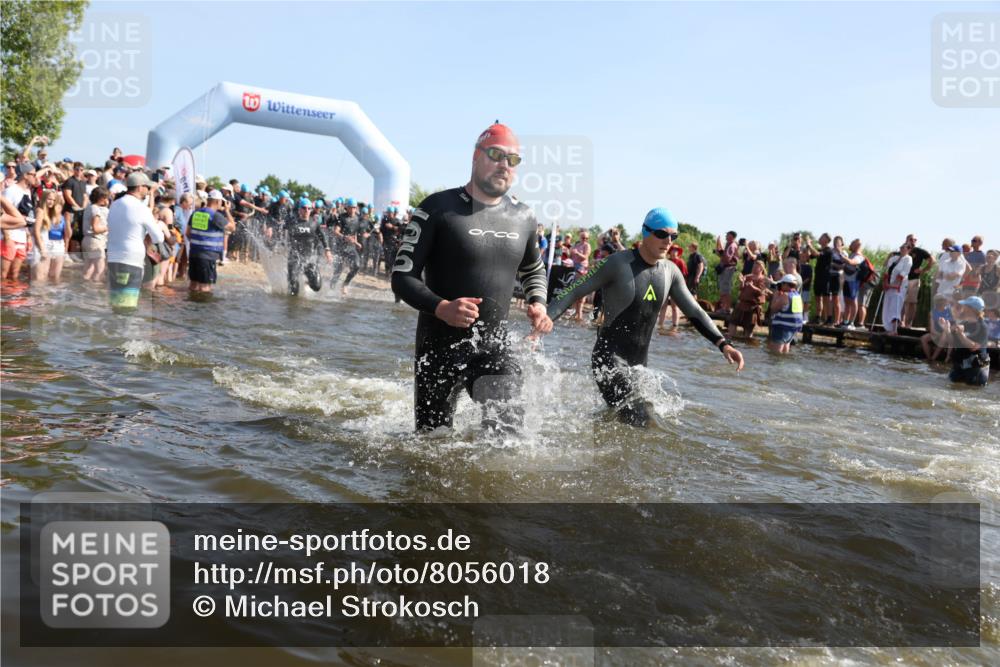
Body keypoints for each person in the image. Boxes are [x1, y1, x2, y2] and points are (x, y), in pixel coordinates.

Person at [391, 122, 552, 432]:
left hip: (493, 347)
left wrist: (538, 303)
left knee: (508, 432)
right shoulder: (438, 208)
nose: (504, 164)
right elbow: (402, 276)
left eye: (513, 159)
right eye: (496, 154)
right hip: (437, 349)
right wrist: (442, 308)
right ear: (476, 157)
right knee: (431, 446)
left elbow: (533, 269)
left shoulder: (525, 217)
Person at [547, 207, 742, 426]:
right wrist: (546, 317)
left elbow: (695, 311)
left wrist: (724, 344)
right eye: (662, 234)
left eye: (673, 236)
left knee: (628, 421)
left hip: (639, 368)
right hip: (608, 359)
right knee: (641, 420)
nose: (668, 241)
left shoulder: (670, 272)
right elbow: (574, 290)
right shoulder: (617, 264)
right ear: (646, 233)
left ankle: (598, 445)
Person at [106, 172, 163, 311]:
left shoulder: (115, 204)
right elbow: (158, 238)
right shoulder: (141, 208)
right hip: (131, 260)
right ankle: (126, 332)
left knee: (116, 303)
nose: (148, 191)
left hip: (113, 258)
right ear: (139, 187)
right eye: (147, 187)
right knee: (128, 306)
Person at [186, 189, 235, 293]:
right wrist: (227, 210)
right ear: (218, 202)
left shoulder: (195, 213)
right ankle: (204, 308)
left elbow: (188, 233)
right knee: (205, 287)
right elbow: (232, 227)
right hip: (208, 256)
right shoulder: (215, 216)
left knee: (193, 285)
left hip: (194, 253)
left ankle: (191, 307)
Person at [286, 197, 332, 296]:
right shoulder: (292, 222)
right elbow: (281, 228)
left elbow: (322, 236)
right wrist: (270, 229)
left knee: (316, 286)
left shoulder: (314, 223)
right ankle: (291, 278)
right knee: (293, 291)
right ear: (299, 210)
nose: (306, 210)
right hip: (294, 258)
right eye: (304, 208)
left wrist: (327, 250)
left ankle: (305, 281)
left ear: (311, 210)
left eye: (309, 208)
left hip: (308, 259)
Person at [2, 162, 38, 282]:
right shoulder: (11, 190)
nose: (35, 177)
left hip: (21, 236)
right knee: (3, 274)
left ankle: (12, 299)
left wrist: (28, 236)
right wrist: (7, 237)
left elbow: (28, 217)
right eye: (33, 174)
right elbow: (3, 213)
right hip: (9, 237)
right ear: (25, 175)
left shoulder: (27, 192)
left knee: (15, 274)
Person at [946, 296, 990, 387]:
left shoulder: (982, 326)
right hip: (960, 365)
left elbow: (974, 347)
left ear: (971, 309)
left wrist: (961, 334)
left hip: (975, 369)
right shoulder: (964, 323)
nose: (962, 308)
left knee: (971, 392)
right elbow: (952, 342)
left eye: (965, 306)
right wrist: (947, 330)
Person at [29, 190, 67, 283]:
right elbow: (36, 231)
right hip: (40, 247)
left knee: (44, 279)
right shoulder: (40, 211)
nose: (51, 202)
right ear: (44, 199)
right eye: (49, 199)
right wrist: (42, 249)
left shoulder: (49, 213)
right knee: (39, 279)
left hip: (46, 246)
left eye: (54, 200)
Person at [329, 197, 364, 295]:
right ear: (346, 208)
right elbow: (336, 231)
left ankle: (345, 284)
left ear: (356, 208)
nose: (352, 210)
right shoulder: (342, 217)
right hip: (340, 248)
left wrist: (356, 243)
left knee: (357, 266)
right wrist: (344, 237)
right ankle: (330, 290)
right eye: (350, 207)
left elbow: (354, 233)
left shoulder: (358, 218)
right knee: (338, 271)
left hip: (351, 248)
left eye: (354, 207)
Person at [727, 260, 770, 339]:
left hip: (752, 307)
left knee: (748, 329)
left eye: (756, 266)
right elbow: (741, 289)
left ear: (761, 268)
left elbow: (762, 292)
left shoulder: (764, 279)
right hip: (742, 304)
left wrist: (752, 287)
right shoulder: (748, 276)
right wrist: (742, 282)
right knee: (732, 323)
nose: (754, 268)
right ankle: (730, 340)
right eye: (754, 266)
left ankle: (748, 346)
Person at [902, 233, 934, 328]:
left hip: (914, 279)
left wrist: (923, 270)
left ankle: (908, 323)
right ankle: (900, 322)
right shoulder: (903, 250)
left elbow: (932, 260)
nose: (913, 241)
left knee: (912, 302)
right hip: (902, 279)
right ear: (906, 240)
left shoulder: (919, 251)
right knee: (901, 301)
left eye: (914, 240)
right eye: (911, 239)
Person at [767, 274, 804, 354]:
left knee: (776, 353)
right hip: (792, 328)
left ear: (786, 284)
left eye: (782, 284)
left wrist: (775, 296)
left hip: (782, 327)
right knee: (785, 350)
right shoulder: (797, 295)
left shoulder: (785, 296)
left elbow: (773, 309)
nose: (780, 286)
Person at [881, 243, 913, 335]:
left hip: (899, 287)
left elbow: (903, 273)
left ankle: (894, 330)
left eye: (904, 247)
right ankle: (888, 328)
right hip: (889, 285)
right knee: (887, 305)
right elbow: (887, 271)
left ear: (908, 249)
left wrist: (893, 285)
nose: (901, 249)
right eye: (901, 247)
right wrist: (886, 283)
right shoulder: (893, 258)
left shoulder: (908, 259)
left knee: (895, 306)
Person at [81, 186, 110, 282]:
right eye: (106, 197)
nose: (108, 199)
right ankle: (95, 292)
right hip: (95, 240)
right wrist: (109, 228)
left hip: (87, 240)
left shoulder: (90, 207)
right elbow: (96, 228)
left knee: (89, 269)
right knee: (100, 270)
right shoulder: (96, 209)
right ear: (101, 198)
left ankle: (84, 289)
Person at [920, 295, 953, 361]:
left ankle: (933, 358)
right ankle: (928, 357)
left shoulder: (950, 311)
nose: (944, 302)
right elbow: (932, 329)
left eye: (944, 300)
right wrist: (937, 334)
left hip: (949, 333)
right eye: (941, 300)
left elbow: (952, 325)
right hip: (937, 333)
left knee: (944, 334)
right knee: (923, 338)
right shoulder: (932, 312)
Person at [714, 231, 739, 313]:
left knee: (726, 289)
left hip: (728, 268)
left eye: (727, 235)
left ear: (731, 236)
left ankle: (726, 308)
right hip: (726, 268)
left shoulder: (732, 245)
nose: (726, 236)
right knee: (724, 289)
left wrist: (720, 251)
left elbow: (726, 258)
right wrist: (718, 246)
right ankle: (725, 308)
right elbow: (723, 255)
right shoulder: (729, 244)